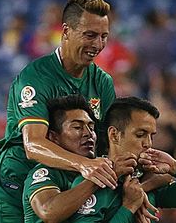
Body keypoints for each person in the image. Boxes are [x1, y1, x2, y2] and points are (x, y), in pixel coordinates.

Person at [0, 0, 119, 222]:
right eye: (90, 35)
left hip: (59, 190)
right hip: (10, 192)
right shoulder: (36, 77)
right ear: (66, 31)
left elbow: (107, 141)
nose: (98, 44)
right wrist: (84, 164)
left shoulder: (102, 83)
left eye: (104, 36)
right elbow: (33, 145)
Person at [69, 97, 176, 222]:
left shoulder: (148, 184)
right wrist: (129, 207)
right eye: (140, 135)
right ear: (114, 135)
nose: (148, 144)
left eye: (151, 136)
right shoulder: (89, 183)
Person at [23, 94, 158, 223]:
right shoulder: (46, 172)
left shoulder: (104, 164)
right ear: (54, 137)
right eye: (77, 127)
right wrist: (102, 179)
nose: (88, 134)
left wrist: (144, 188)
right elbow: (48, 212)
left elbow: (164, 177)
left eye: (91, 127)